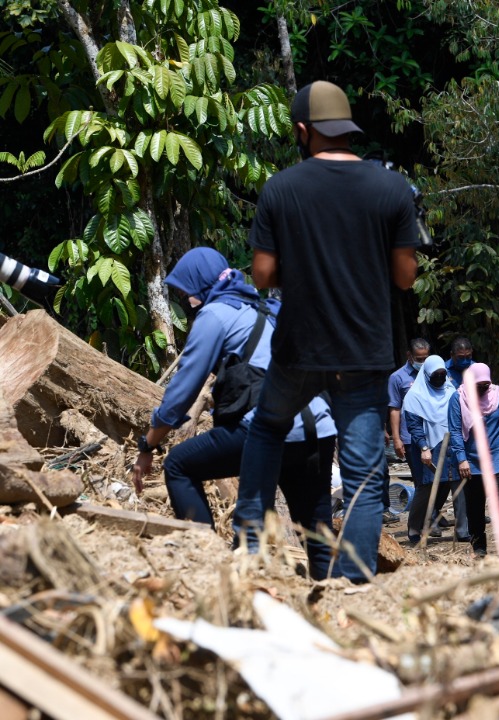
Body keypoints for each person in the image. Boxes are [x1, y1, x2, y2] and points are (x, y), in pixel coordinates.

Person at [235, 80, 419, 583]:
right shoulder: (391, 188)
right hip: (363, 352)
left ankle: (248, 544)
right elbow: (405, 276)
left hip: (300, 347)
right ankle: (351, 583)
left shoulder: (281, 188)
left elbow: (263, 275)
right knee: (364, 476)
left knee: (268, 427)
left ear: (302, 130)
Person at [132, 248, 338, 579]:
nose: (185, 298)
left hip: (269, 429)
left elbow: (180, 394)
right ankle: (334, 604)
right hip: (318, 427)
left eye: (186, 290)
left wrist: (148, 445)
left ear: (200, 286)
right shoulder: (264, 308)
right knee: (315, 526)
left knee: (179, 465)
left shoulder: (214, 315)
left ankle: (205, 563)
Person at [447, 362, 499, 558]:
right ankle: (478, 546)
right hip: (472, 460)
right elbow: (455, 431)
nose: (482, 389)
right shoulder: (458, 399)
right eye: (477, 385)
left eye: (485, 385)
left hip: (498, 456)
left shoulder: (497, 395)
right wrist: (461, 459)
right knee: (475, 504)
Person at [403, 356, 465, 544]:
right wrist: (423, 447)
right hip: (428, 447)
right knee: (426, 488)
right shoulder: (415, 396)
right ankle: (415, 527)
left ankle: (463, 530)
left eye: (442, 374)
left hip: (452, 442)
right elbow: (414, 426)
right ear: (427, 375)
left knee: (458, 484)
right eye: (435, 375)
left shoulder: (450, 390)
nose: (439, 377)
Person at [388, 338, 431, 495]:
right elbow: (395, 408)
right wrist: (397, 438)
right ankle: (427, 517)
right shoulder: (398, 378)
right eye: (419, 359)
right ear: (409, 356)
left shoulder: (434, 373)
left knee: (439, 478)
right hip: (410, 437)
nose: (423, 362)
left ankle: (434, 514)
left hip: (434, 434)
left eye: (426, 358)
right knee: (421, 480)